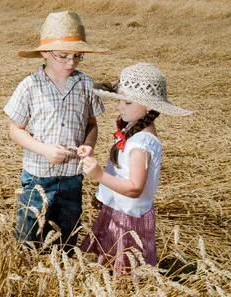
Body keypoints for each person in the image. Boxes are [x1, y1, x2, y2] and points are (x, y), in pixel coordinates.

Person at [3, 11, 108, 254]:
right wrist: (44, 150)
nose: (70, 62)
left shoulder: (86, 84)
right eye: (63, 56)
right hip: (38, 178)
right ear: (44, 53)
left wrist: (89, 145)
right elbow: (15, 130)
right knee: (29, 236)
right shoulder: (29, 86)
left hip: (72, 178)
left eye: (77, 56)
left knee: (67, 236)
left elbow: (91, 124)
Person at [78, 63, 192, 274]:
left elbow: (134, 188)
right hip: (118, 207)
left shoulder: (142, 144)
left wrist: (98, 175)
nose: (120, 106)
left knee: (127, 271)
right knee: (111, 261)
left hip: (129, 217)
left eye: (128, 102)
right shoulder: (131, 128)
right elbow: (121, 170)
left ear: (149, 106)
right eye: (119, 100)